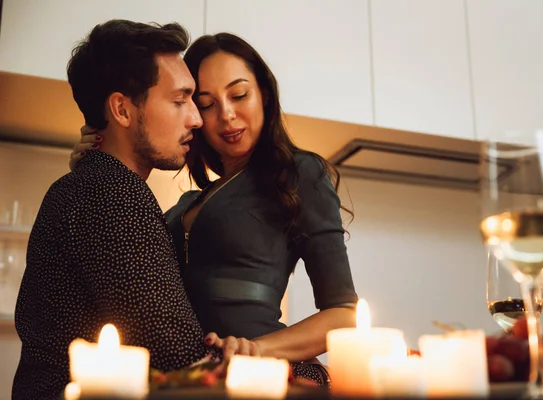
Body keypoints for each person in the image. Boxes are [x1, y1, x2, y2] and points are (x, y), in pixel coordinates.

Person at [70, 32, 359, 385]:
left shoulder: (299, 174)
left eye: (239, 95)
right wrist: (98, 168)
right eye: (206, 103)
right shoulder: (188, 202)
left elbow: (344, 315)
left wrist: (257, 351)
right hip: (191, 377)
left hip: (258, 376)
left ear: (264, 94)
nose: (226, 114)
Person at [13, 21, 257, 400]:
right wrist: (309, 372)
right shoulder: (113, 194)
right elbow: (180, 359)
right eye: (179, 101)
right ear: (122, 110)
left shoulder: (87, 186)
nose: (196, 118)